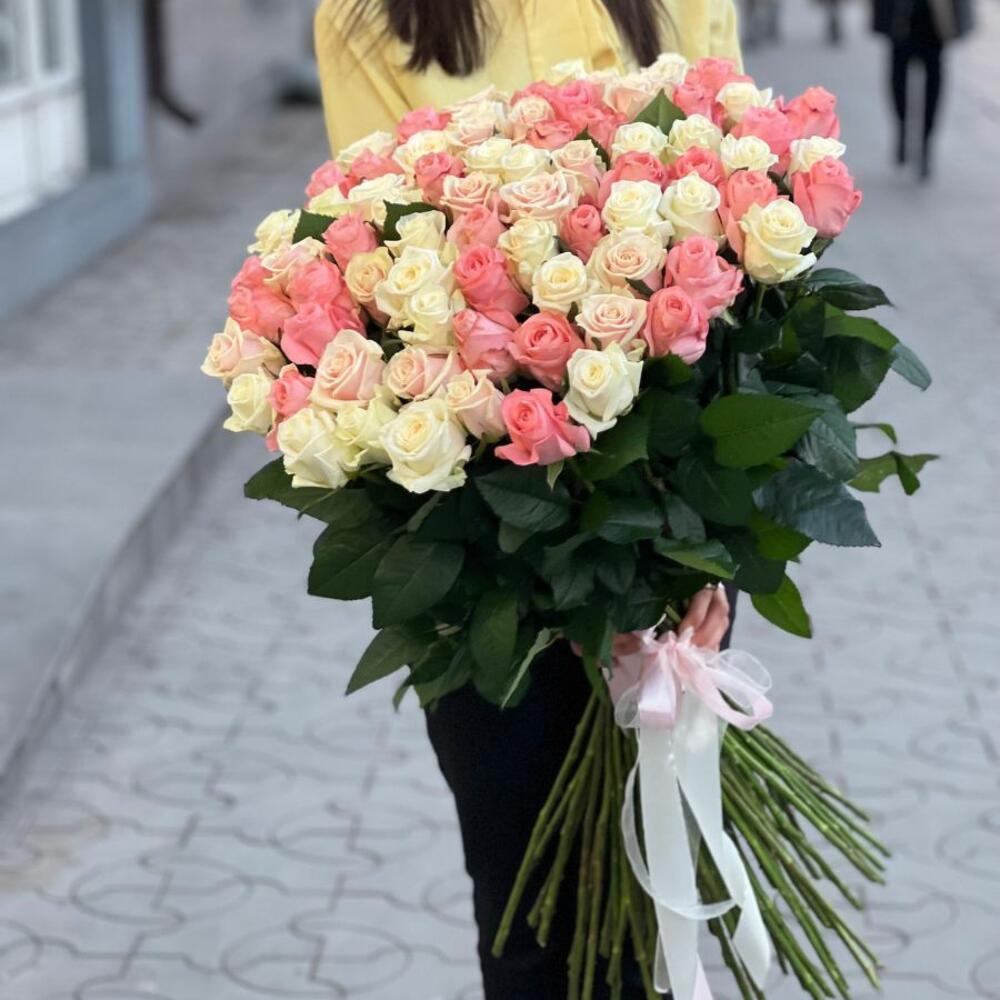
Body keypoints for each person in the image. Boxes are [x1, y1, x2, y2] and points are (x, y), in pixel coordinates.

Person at [313, 2, 741, 996]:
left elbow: (729, 238)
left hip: (667, 541)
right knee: (529, 919)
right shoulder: (369, 19)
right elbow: (380, 275)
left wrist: (695, 551)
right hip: (486, 566)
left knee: (664, 903)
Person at [872, 0, 974, 179]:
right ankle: (902, 129)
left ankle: (926, 142)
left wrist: (960, 21)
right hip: (901, 19)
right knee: (898, 83)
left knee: (932, 86)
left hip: (935, 22)